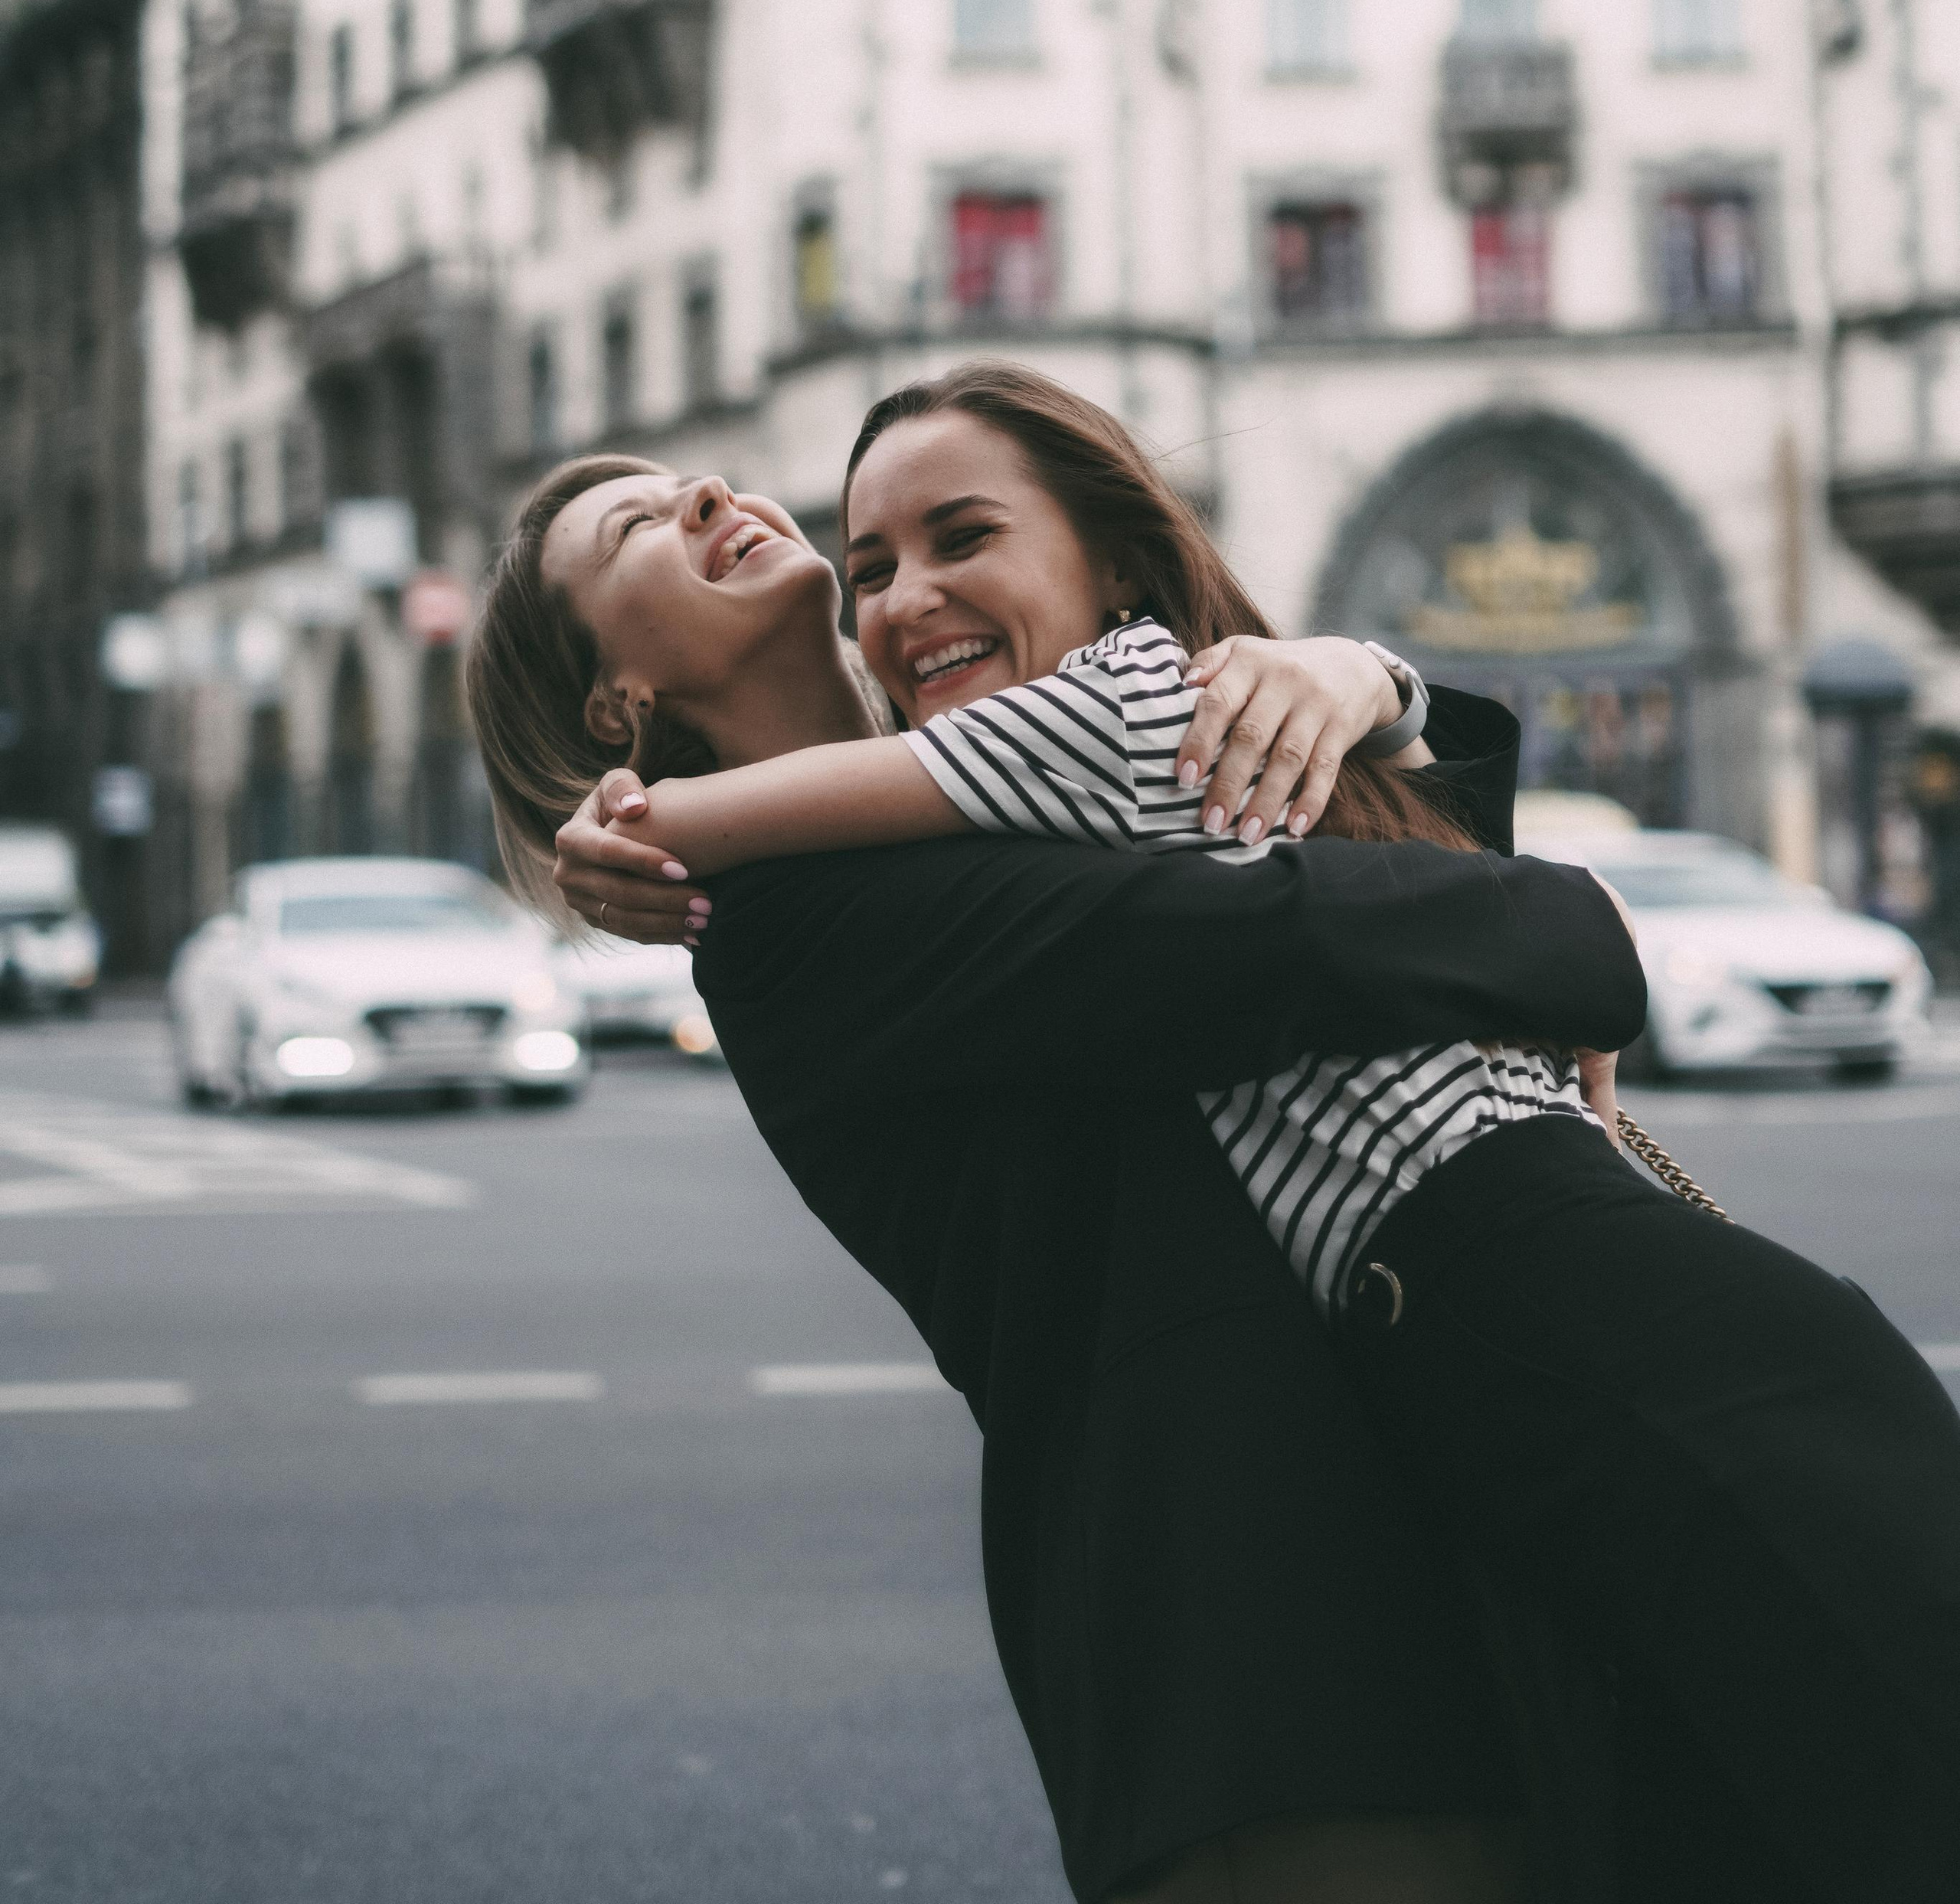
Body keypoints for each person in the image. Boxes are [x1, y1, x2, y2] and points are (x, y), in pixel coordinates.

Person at [509, 364, 1960, 1904]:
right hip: (1260, 1659)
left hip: (1409, 1568)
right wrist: (1558, 896)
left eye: (950, 542)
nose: (710, 499)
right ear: (617, 702)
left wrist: (1366, 682)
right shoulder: (805, 910)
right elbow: (1371, 941)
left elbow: (1376, 871)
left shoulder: (1012, 782)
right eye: (635, 527)